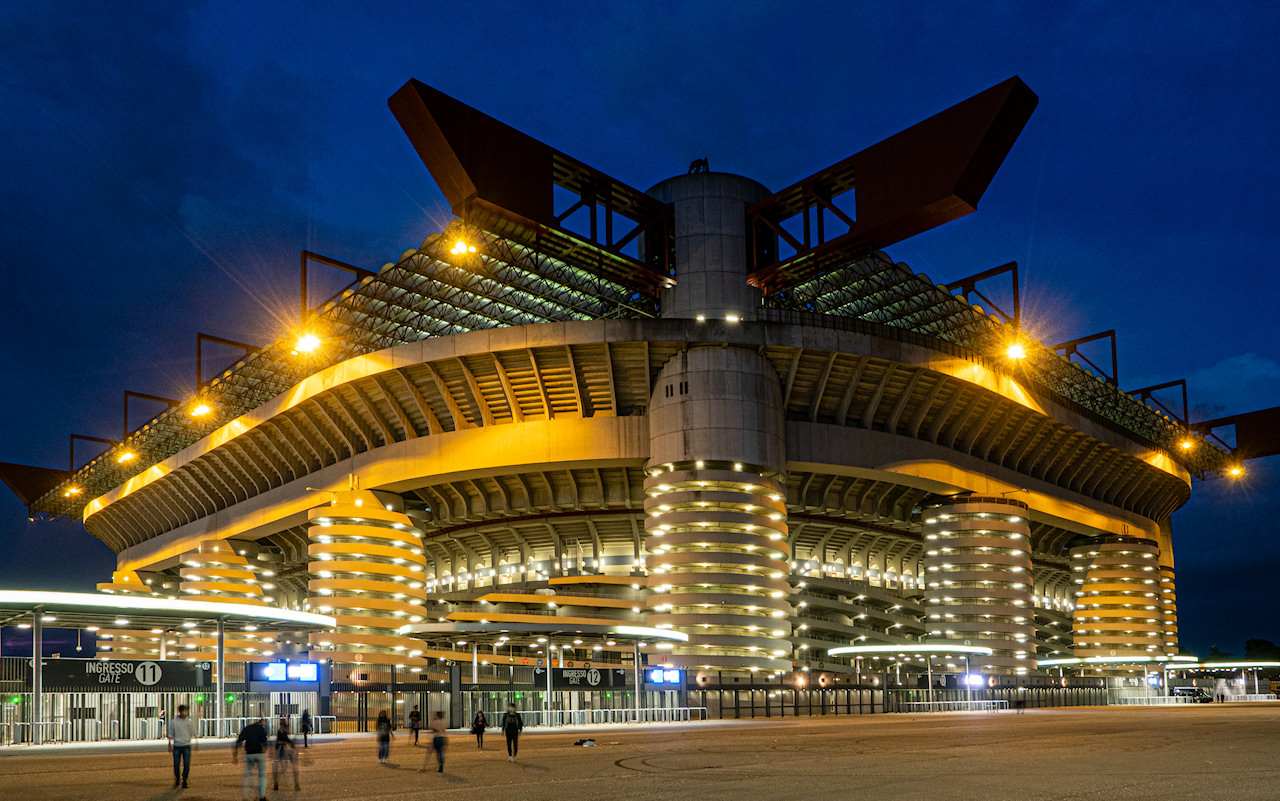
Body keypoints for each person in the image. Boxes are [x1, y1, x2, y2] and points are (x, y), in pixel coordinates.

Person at [233, 717, 270, 801]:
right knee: (262, 775)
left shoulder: (247, 728)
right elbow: (264, 741)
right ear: (261, 722)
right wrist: (265, 749)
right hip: (260, 753)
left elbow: (239, 741)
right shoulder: (261, 728)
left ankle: (245, 797)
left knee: (247, 776)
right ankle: (262, 796)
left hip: (249, 754)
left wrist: (235, 755)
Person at [166, 704, 196, 789]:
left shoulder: (188, 722)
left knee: (186, 764)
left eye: (185, 711)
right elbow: (170, 734)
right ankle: (177, 779)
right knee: (176, 764)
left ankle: (184, 780)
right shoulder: (174, 722)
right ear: (180, 711)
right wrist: (169, 744)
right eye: (183, 711)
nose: (184, 713)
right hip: (177, 745)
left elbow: (192, 732)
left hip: (186, 745)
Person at [272, 719, 300, 792]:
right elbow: (283, 740)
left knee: (279, 768)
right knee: (293, 768)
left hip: (283, 751)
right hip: (286, 750)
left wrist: (276, 749)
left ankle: (276, 784)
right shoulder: (282, 732)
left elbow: (280, 741)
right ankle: (296, 784)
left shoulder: (281, 731)